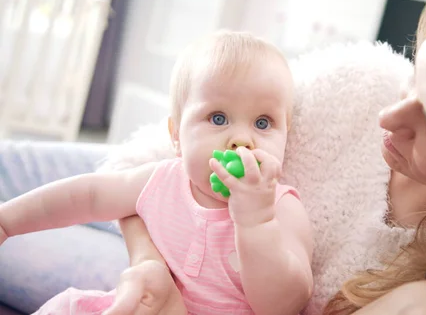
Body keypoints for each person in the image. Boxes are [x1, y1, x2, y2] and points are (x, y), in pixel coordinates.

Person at [89, 0, 426, 314]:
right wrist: (150, 263)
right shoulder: (360, 84)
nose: (388, 118)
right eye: (415, 79)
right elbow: (135, 169)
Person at [0, 31, 313, 315]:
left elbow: (285, 306)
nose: (242, 139)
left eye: (263, 122)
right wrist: (8, 221)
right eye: (218, 118)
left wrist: (256, 222)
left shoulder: (282, 207)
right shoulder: (161, 181)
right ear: (176, 135)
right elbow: (88, 195)